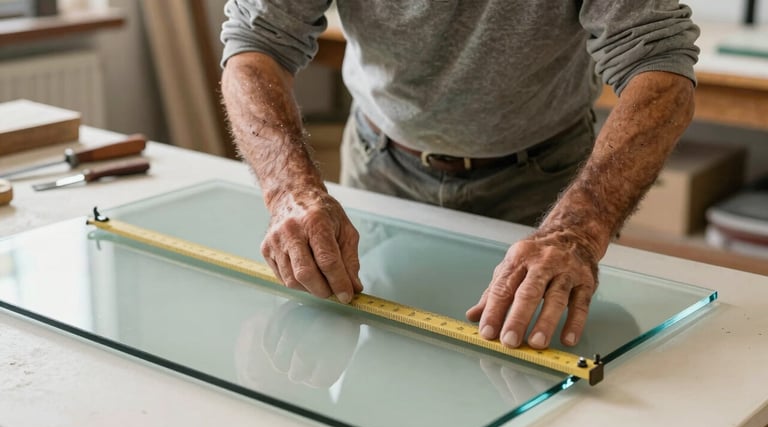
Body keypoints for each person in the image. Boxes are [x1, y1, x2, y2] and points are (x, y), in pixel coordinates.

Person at [219, 1, 699, 350]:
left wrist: (577, 229)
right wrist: (290, 191)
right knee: (380, 357)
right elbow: (256, 44)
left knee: (533, 370)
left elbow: (660, 68)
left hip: (543, 178)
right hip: (381, 164)